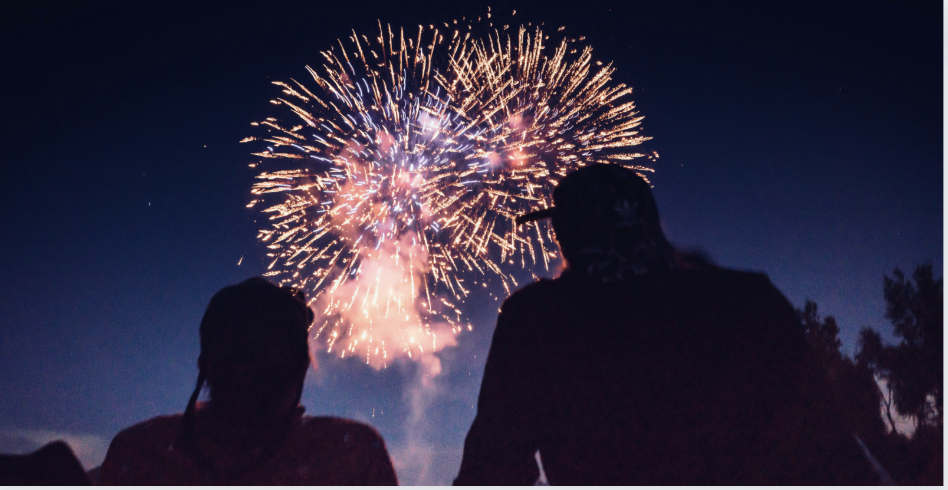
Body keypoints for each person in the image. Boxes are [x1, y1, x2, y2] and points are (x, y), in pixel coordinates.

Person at [454, 164, 877, 485]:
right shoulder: (746, 299)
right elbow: (832, 450)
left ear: (567, 236)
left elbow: (492, 468)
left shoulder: (537, 319)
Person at [99, 278, 398, 485]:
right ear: (303, 368)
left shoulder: (141, 450)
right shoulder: (349, 453)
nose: (251, 379)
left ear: (205, 367)